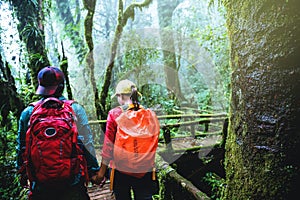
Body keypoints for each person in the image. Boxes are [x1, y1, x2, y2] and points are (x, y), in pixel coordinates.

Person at [16, 66, 100, 200]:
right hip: (73, 182)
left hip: (40, 185)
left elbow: (22, 147)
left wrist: (22, 173)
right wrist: (94, 171)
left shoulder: (28, 113)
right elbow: (86, 143)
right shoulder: (75, 109)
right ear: (62, 86)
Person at [92, 79, 159, 200]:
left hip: (120, 169)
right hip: (145, 168)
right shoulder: (149, 113)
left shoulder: (115, 114)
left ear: (120, 96)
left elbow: (108, 146)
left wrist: (101, 173)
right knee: (144, 197)